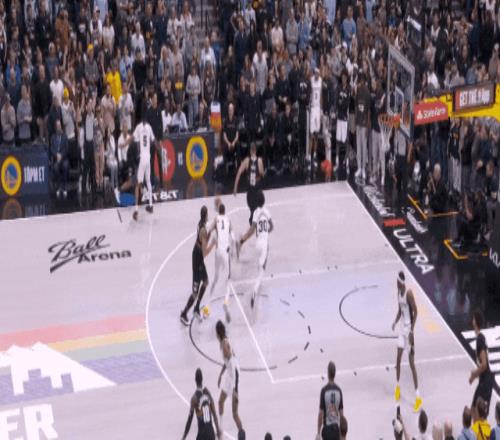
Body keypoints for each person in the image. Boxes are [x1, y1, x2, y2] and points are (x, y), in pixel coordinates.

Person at [392, 271, 422, 412]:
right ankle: (398, 388)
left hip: (409, 331)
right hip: (401, 330)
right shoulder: (398, 293)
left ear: (401, 282)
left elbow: (416, 312)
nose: (396, 283)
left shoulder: (409, 294)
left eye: (397, 281)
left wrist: (412, 330)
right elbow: (400, 311)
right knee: (397, 360)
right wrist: (394, 322)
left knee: (411, 364)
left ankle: (418, 397)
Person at [180, 206, 215, 325]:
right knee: (195, 292)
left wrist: (212, 230)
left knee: (205, 282)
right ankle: (184, 313)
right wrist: (213, 244)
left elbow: (204, 238)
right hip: (197, 259)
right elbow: (205, 253)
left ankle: (196, 308)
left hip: (198, 256)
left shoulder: (201, 224)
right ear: (206, 215)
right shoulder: (203, 230)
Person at [239, 191, 273, 308]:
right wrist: (266, 232)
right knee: (262, 269)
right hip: (264, 243)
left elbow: (252, 229)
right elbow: (271, 227)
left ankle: (258, 281)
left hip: (257, 243)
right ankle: (255, 290)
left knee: (259, 264)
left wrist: (244, 238)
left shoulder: (255, 213)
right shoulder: (267, 212)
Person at [215, 320, 244, 436]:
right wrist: (221, 374)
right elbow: (228, 362)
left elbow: (233, 364)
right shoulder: (225, 341)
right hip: (230, 376)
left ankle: (242, 436)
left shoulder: (224, 345)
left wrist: (235, 389)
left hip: (234, 379)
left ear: (217, 333)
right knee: (220, 402)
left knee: (234, 414)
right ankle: (220, 430)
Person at [208, 201, 234, 323]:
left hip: (217, 251)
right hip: (225, 252)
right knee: (228, 279)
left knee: (216, 278)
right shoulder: (228, 220)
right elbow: (233, 237)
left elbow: (209, 229)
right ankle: (226, 302)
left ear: (219, 211)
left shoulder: (216, 219)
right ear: (225, 211)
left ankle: (208, 305)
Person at [182, 368, 222, 440]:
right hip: (211, 433)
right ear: (202, 379)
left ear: (195, 380)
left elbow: (189, 420)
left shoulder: (194, 398)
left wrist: (183, 437)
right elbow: (214, 415)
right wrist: (218, 431)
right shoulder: (208, 394)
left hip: (202, 434)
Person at [469, 310, 495, 421]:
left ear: (475, 321)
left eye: (473, 318)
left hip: (486, 381)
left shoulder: (480, 339)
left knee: (478, 413)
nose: (472, 320)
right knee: (473, 409)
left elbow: (484, 365)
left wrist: (474, 374)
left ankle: (480, 431)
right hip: (484, 380)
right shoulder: (480, 338)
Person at [131, 111, 156, 220]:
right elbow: (153, 141)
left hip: (142, 158)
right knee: (148, 181)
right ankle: (150, 205)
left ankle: (136, 210)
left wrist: (138, 153)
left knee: (138, 183)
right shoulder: (149, 127)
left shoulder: (139, 127)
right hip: (148, 157)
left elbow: (136, 141)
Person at [233, 143, 265, 225]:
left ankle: (252, 218)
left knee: (252, 208)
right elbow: (262, 173)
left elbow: (239, 173)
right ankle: (255, 220)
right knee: (257, 207)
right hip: (257, 186)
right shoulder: (259, 160)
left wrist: (235, 188)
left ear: (250, 151)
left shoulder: (247, 160)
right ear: (256, 151)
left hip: (250, 187)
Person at [316, 361, 344, 440]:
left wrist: (318, 432)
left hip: (327, 430)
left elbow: (321, 413)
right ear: (334, 374)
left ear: (328, 373)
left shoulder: (324, 390)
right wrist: (342, 434)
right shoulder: (339, 390)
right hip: (336, 430)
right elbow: (341, 415)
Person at [50, 120, 69, 198]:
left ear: (61, 127)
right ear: (55, 127)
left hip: (64, 158)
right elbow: (51, 149)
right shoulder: (53, 137)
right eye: (57, 126)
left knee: (65, 166)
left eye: (59, 126)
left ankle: (64, 187)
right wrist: (56, 155)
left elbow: (66, 149)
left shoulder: (65, 136)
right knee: (55, 167)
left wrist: (61, 155)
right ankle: (58, 186)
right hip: (56, 158)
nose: (58, 127)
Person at [309, 67, 322, 171]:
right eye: (315, 73)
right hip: (313, 108)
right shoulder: (311, 80)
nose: (317, 75)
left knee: (317, 134)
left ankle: (315, 155)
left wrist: (321, 109)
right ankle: (309, 156)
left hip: (318, 109)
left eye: (318, 73)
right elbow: (310, 93)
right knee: (311, 134)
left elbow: (321, 94)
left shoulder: (321, 80)